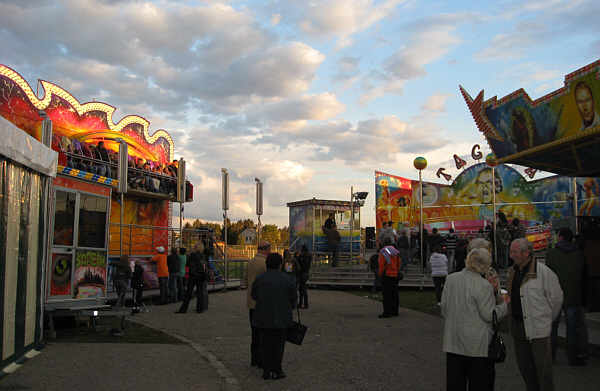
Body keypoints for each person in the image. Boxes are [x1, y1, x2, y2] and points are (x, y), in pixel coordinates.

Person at [441, 248, 509, 390]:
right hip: (477, 344)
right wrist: (504, 306)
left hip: (454, 340)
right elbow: (489, 315)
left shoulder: (451, 279)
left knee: (455, 383)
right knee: (479, 382)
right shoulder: (483, 285)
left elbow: (445, 309)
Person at [507, 238, 563, 391]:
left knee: (543, 370)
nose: (511, 256)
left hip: (538, 329)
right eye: (510, 251)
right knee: (526, 368)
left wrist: (545, 320)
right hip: (519, 326)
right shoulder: (512, 272)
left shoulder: (543, 273)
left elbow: (556, 299)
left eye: (514, 252)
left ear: (526, 253)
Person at [251, 252, 297, 380]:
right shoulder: (287, 279)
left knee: (265, 344)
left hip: (263, 316)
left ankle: (266, 370)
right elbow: (294, 297)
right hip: (281, 316)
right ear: (280, 265)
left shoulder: (260, 278)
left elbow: (254, 295)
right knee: (278, 344)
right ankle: (277, 370)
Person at [546, 227, 588, 366]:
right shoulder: (579, 255)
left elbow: (547, 276)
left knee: (552, 328)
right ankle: (573, 357)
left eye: (558, 235)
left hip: (555, 296)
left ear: (561, 237)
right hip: (573, 296)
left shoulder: (551, 254)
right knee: (572, 328)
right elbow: (584, 277)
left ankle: (550, 357)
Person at [242, 241, 270, 368]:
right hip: (263, 303)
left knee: (254, 333)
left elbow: (245, 279)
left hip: (251, 303)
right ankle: (261, 360)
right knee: (263, 333)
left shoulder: (251, 261)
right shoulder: (265, 263)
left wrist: (249, 289)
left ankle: (254, 358)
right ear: (267, 249)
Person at [175, 241, 208, 314]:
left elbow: (187, 264)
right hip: (201, 275)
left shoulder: (193, 255)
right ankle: (200, 308)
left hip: (194, 274)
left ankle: (183, 309)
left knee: (189, 292)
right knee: (200, 292)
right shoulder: (203, 256)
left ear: (196, 247)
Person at [378, 237, 401, 318]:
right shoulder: (396, 252)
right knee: (395, 293)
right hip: (394, 274)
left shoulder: (384, 252)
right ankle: (395, 311)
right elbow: (399, 263)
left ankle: (387, 312)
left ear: (383, 243)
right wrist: (396, 271)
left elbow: (381, 264)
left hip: (386, 274)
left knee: (386, 294)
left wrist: (380, 273)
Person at [297, 245, 312, 309]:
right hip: (306, 272)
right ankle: (304, 302)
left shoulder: (302, 256)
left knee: (302, 289)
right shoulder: (309, 256)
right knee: (303, 288)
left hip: (302, 273)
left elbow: (300, 264)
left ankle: (302, 303)